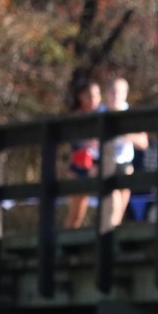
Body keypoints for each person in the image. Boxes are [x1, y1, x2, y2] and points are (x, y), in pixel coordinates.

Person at [103, 77, 148, 228]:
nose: (116, 95)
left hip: (126, 165)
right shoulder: (100, 113)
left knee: (120, 210)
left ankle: (112, 239)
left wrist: (122, 133)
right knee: (113, 206)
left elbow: (143, 142)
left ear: (126, 94)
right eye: (113, 91)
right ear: (107, 93)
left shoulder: (131, 115)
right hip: (106, 164)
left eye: (120, 92)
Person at [65, 80, 104, 229]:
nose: (93, 99)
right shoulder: (75, 118)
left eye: (97, 95)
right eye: (89, 95)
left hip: (99, 164)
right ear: (81, 96)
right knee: (76, 214)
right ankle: (69, 241)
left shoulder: (104, 114)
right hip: (79, 165)